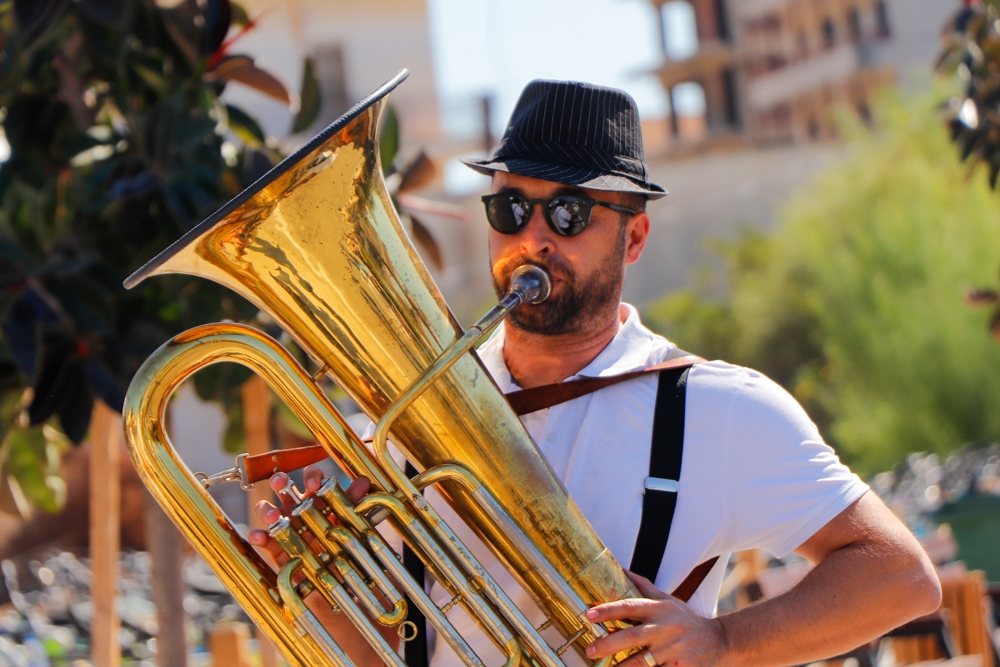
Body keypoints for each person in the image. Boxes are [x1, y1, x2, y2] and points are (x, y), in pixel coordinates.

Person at [248, 79, 941, 667]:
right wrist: (322, 600)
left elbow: (899, 575)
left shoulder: (718, 409)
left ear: (633, 237)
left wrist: (724, 640)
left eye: (569, 211)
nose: (533, 236)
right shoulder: (407, 417)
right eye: (511, 207)